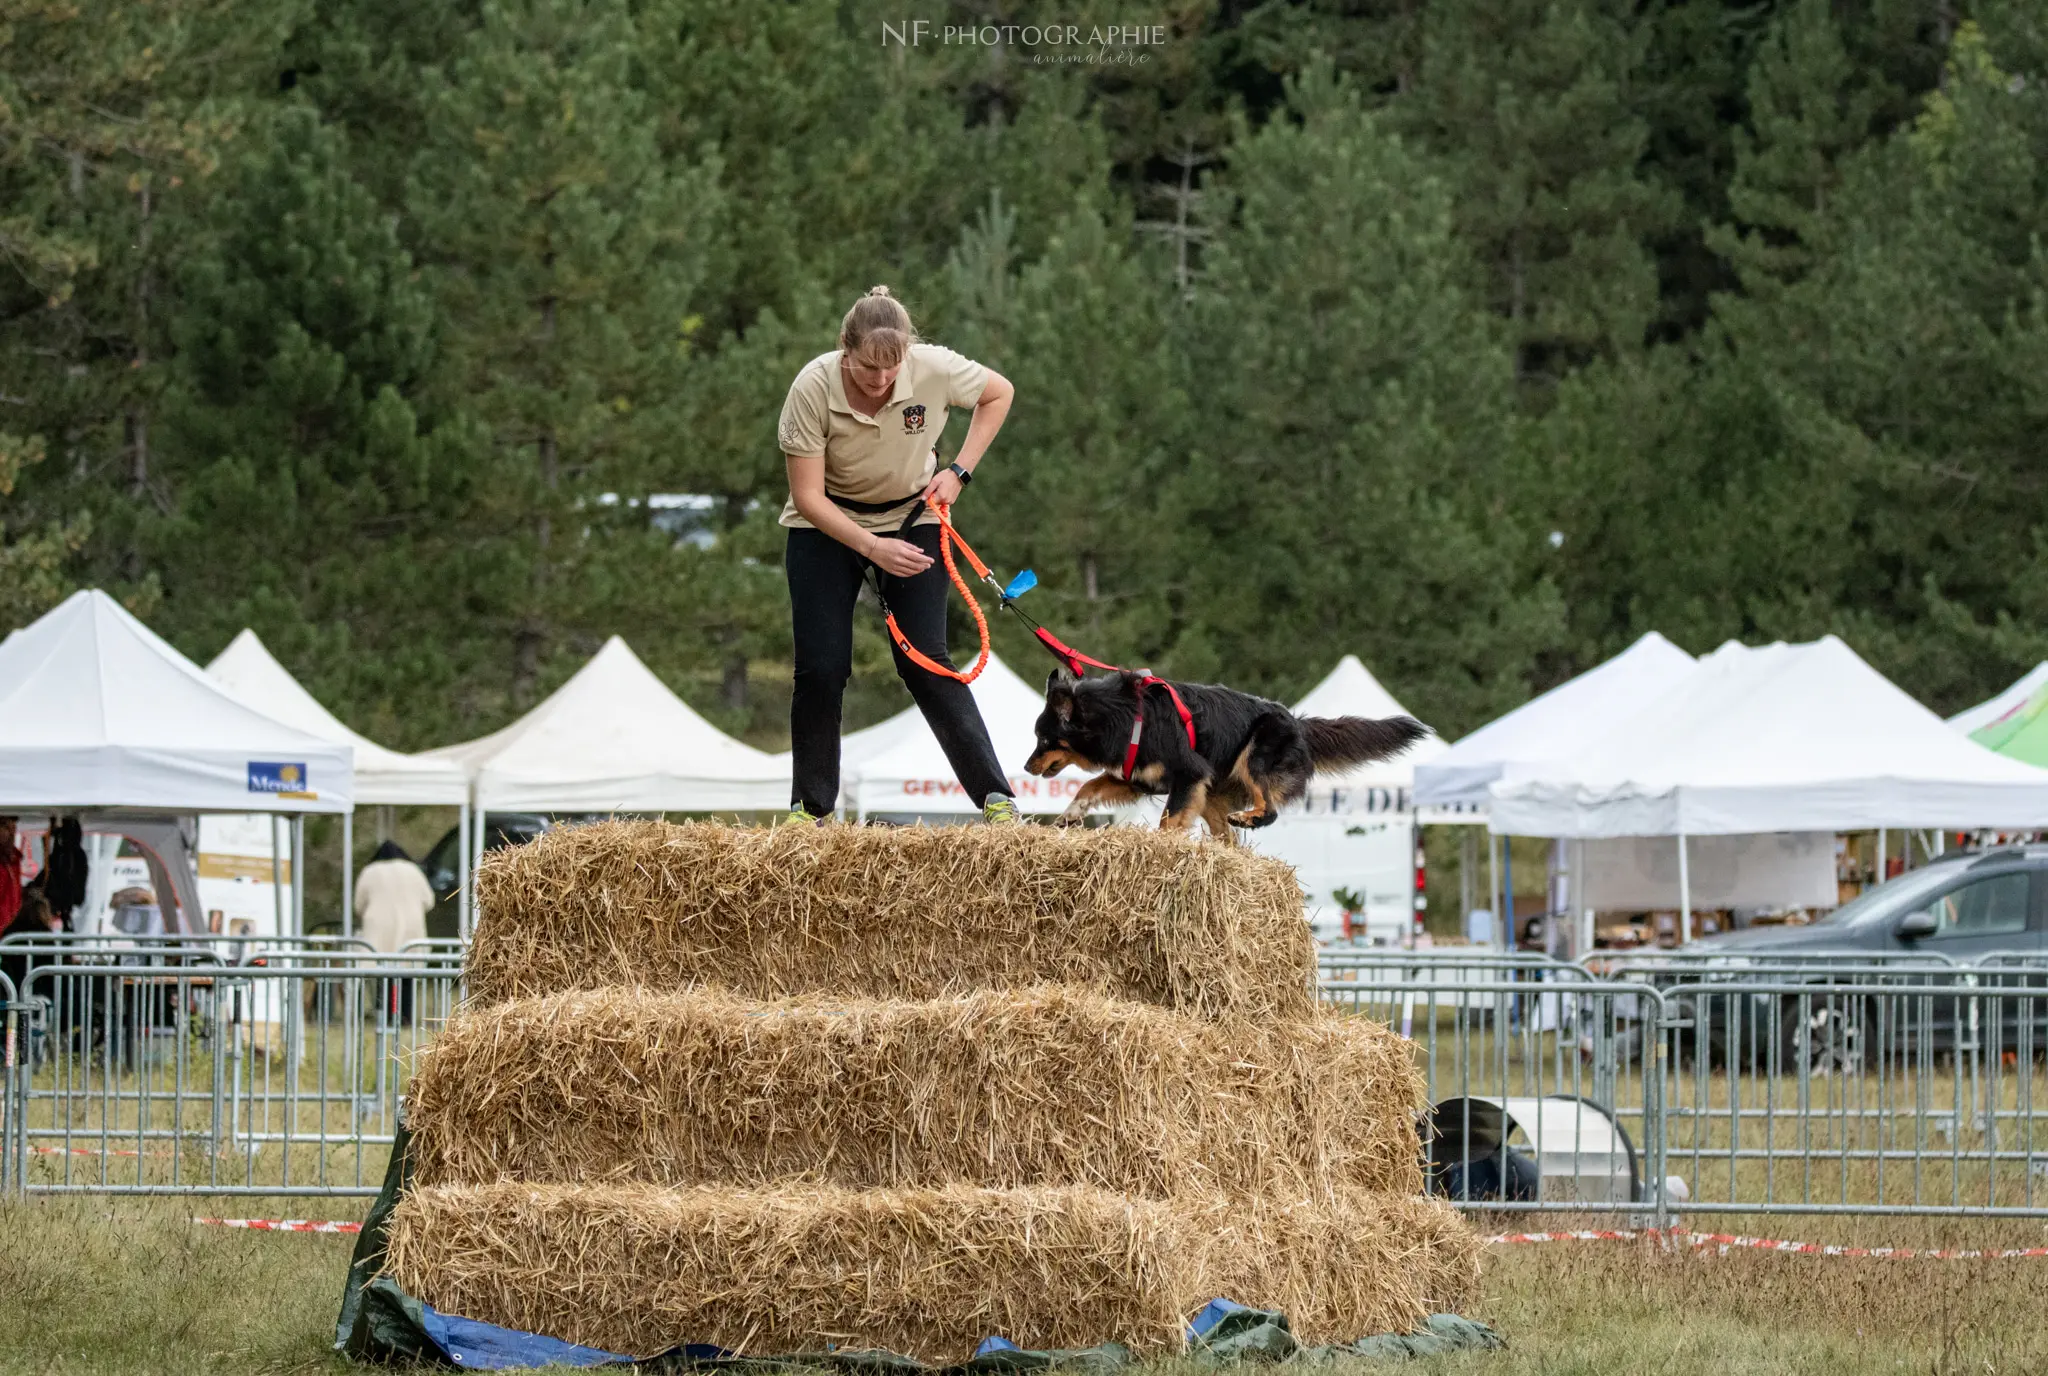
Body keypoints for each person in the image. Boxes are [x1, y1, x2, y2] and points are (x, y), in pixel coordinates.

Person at [778, 286, 1019, 825]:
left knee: (927, 661)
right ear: (846, 350)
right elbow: (807, 497)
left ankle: (996, 800)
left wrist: (959, 471)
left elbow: (998, 394)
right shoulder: (812, 388)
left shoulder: (933, 367)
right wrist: (870, 547)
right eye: (867, 368)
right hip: (829, 524)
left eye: (892, 369)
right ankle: (810, 810)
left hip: (913, 515)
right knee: (821, 668)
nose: (881, 380)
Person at [354, 840, 435, 955]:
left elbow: (359, 905)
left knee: (376, 965)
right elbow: (429, 902)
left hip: (378, 928)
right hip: (411, 927)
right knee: (410, 966)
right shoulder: (413, 870)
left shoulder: (369, 871)